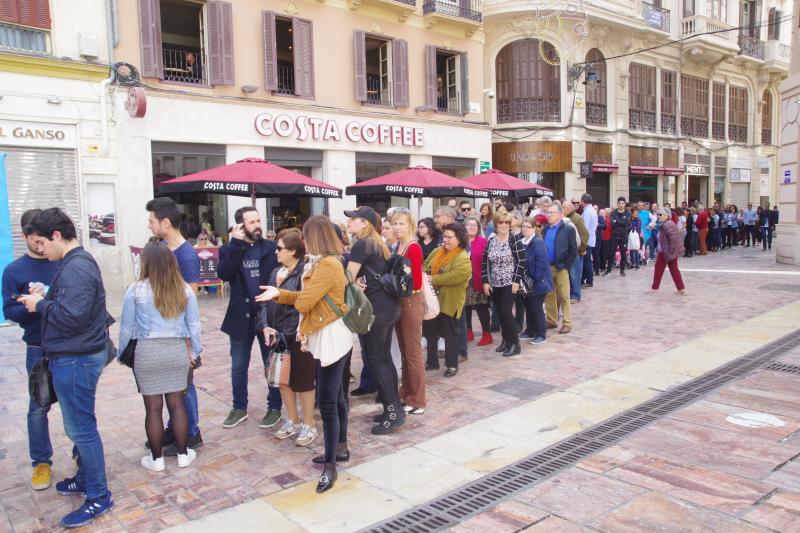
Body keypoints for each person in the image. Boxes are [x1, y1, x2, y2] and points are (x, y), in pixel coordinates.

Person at [17, 208, 113, 528]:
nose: (41, 249)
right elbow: (75, 307)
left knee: (81, 429)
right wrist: (47, 296)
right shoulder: (71, 264)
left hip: (77, 357)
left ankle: (98, 494)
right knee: (81, 425)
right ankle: (86, 478)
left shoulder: (76, 267)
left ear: (57, 236)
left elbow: (73, 317)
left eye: (43, 243)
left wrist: (40, 304)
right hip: (74, 355)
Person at [256, 216, 352, 493]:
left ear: (316, 238)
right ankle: (339, 450)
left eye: (306, 237)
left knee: (330, 403)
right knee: (336, 399)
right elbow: (307, 297)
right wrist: (280, 293)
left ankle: (330, 465)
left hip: (330, 336)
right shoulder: (324, 262)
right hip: (330, 333)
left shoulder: (327, 264)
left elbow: (306, 301)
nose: (303, 242)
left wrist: (281, 293)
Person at [119, 242, 202, 472]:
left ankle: (157, 460)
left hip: (147, 352)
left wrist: (122, 354)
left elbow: (126, 327)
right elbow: (194, 325)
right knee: (177, 405)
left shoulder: (135, 290)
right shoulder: (183, 289)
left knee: (153, 409)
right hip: (175, 351)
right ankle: (184, 454)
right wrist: (195, 352)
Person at [2, 209, 60, 491]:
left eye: (44, 240)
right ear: (26, 236)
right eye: (36, 241)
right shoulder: (14, 271)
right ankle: (41, 462)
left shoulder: (60, 260)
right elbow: (9, 310)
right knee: (38, 406)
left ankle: (81, 453)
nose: (41, 246)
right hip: (37, 346)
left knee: (76, 403)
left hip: (67, 345)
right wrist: (31, 304)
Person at [145, 197, 203, 454]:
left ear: (165, 223)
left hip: (178, 336)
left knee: (183, 387)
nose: (149, 225)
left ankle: (191, 433)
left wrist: (190, 344)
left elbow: (190, 302)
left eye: (151, 221)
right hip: (161, 334)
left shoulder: (186, 255)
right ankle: (173, 428)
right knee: (170, 386)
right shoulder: (161, 249)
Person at [218, 206, 282, 430]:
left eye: (258, 221)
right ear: (240, 225)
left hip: (268, 316)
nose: (257, 225)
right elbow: (224, 274)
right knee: (238, 365)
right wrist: (236, 244)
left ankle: (274, 407)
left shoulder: (272, 248)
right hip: (240, 316)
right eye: (252, 222)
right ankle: (239, 407)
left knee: (271, 364)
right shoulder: (229, 249)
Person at [345, 206, 404, 434]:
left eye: (354, 219)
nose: (349, 222)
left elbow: (346, 277)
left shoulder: (362, 244)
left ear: (365, 224)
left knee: (376, 360)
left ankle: (392, 412)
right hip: (388, 307)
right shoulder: (377, 243)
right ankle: (394, 407)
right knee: (383, 358)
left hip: (376, 310)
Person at [259, 229, 317, 446]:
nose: (276, 252)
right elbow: (265, 302)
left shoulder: (305, 273)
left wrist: (289, 331)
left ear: (292, 251)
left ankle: (309, 424)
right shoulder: (275, 272)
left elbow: (304, 303)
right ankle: (292, 419)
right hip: (278, 335)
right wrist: (266, 327)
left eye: (280, 248)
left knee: (303, 381)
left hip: (298, 334)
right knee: (283, 380)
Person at [423, 223, 471, 376]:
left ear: (459, 239)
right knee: (430, 332)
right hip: (431, 300)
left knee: (450, 334)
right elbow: (425, 266)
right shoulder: (437, 251)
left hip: (449, 302)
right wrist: (426, 276)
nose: (446, 240)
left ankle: (452, 364)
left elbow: (456, 276)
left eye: (450, 237)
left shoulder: (462, 257)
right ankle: (432, 361)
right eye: (444, 236)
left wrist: (432, 279)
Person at [390, 209, 426, 415]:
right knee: (405, 352)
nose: (397, 227)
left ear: (410, 225)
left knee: (413, 353)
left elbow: (417, 282)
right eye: (395, 224)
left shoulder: (413, 247)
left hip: (411, 301)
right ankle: (407, 393)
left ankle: (418, 399)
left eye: (401, 223)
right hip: (401, 300)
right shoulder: (398, 246)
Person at [481, 210, 526, 357]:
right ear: (496, 224)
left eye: (507, 222)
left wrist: (516, 280)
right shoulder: (491, 241)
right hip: (495, 283)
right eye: (501, 222)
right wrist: (485, 281)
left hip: (509, 282)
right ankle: (506, 340)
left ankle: (515, 343)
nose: (504, 225)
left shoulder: (514, 239)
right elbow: (484, 262)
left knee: (506, 311)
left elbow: (521, 261)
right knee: (500, 313)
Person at [542, 206, 577, 334]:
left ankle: (567, 323)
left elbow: (573, 250)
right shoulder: (545, 230)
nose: (548, 215)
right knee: (549, 295)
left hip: (561, 267)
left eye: (551, 213)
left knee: (564, 295)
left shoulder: (568, 229)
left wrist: (566, 266)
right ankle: (551, 320)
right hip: (547, 267)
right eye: (547, 212)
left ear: (559, 214)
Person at [522, 215, 553, 345]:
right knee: (529, 307)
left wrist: (535, 278)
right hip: (527, 282)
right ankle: (530, 330)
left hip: (538, 282)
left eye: (527, 227)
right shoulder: (523, 241)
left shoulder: (538, 243)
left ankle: (541, 333)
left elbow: (541, 264)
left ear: (534, 228)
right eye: (523, 226)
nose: (524, 229)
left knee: (537, 308)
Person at [463, 216, 492, 347]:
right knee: (465, 307)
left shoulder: (484, 241)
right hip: (464, 280)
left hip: (479, 279)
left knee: (481, 307)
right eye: (469, 225)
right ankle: (468, 331)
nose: (471, 227)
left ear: (478, 228)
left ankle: (487, 334)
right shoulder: (460, 242)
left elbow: (489, 262)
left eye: (474, 225)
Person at [649, 208, 686, 295]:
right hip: (666, 251)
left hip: (666, 251)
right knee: (672, 269)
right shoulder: (666, 223)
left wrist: (671, 251)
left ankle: (655, 288)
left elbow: (673, 239)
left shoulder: (667, 224)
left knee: (661, 269)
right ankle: (681, 289)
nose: (658, 216)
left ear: (667, 215)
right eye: (658, 214)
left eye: (660, 214)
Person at [563, 200, 588, 302]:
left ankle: (576, 295)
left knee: (575, 274)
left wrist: (581, 249)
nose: (562, 210)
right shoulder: (568, 218)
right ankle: (571, 294)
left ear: (568, 209)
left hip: (576, 252)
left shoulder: (577, 218)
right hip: (569, 252)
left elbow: (584, 235)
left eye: (563, 208)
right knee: (570, 274)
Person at [605, 197, 631, 277]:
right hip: (614, 236)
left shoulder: (628, 213)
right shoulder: (613, 212)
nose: (621, 205)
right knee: (611, 253)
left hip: (623, 236)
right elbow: (612, 223)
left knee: (623, 254)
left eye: (622, 203)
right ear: (617, 204)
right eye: (619, 203)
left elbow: (626, 223)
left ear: (625, 204)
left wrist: (617, 221)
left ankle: (622, 270)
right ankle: (608, 270)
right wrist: (621, 222)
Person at [580, 194, 597, 288]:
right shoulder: (592, 210)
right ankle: (588, 279)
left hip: (587, 240)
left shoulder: (587, 212)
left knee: (586, 261)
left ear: (583, 201)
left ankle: (589, 280)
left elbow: (584, 228)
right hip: (591, 239)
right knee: (587, 260)